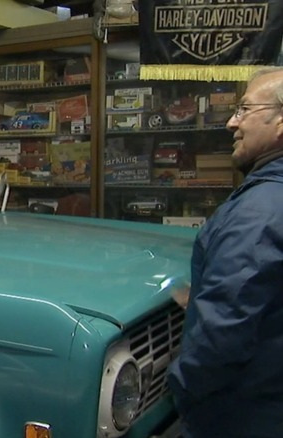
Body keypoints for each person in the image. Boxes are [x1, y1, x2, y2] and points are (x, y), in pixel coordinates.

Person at [168, 66, 283, 438]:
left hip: (242, 412)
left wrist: (180, 390)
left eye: (245, 110)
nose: (232, 123)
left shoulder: (259, 211)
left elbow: (223, 332)